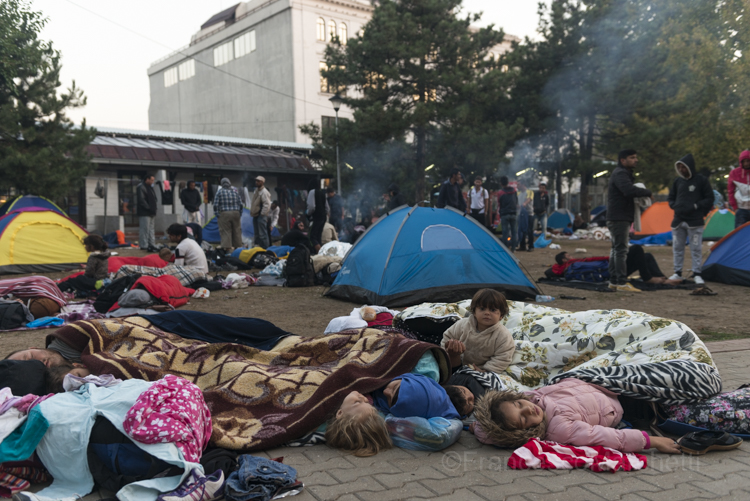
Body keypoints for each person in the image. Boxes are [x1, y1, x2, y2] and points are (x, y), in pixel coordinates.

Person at [471, 379, 681, 454]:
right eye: (523, 419)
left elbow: (490, 430)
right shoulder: (559, 429)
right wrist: (650, 441)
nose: (527, 410)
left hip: (598, 382)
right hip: (620, 403)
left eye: (518, 404)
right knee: (668, 389)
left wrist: (476, 427)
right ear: (524, 432)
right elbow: (605, 437)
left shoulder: (531, 398)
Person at [606, 150, 651, 292]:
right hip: (619, 217)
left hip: (618, 216)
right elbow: (628, 191)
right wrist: (647, 192)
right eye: (632, 158)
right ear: (623, 160)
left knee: (616, 249)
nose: (636, 160)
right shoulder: (620, 173)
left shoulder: (622, 173)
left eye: (636, 157)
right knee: (621, 250)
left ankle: (613, 281)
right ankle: (620, 282)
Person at [441, 289, 515, 374]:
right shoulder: (462, 324)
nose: (487, 313)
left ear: (501, 315)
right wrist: (447, 353)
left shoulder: (503, 335)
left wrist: (486, 370)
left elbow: (503, 356)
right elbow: (447, 337)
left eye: (493, 310)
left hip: (480, 369)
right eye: (482, 308)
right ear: (474, 312)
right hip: (455, 361)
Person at [667, 154, 714, 285]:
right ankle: (677, 273)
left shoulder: (701, 180)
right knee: (677, 247)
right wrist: (673, 205)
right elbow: (671, 198)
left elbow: (709, 198)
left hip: (695, 222)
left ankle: (697, 273)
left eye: (684, 167)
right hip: (678, 221)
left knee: (696, 248)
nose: (682, 169)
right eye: (680, 167)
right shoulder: (677, 181)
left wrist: (696, 206)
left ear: (690, 167)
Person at [552, 248, 682, 285]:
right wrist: (616, 258)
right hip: (612, 271)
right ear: (564, 259)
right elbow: (596, 261)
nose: (571, 256)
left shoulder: (574, 264)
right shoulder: (573, 265)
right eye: (568, 255)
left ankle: (662, 279)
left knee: (646, 256)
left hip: (611, 268)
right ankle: (648, 278)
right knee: (636, 249)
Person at [213, 178, 243, 251]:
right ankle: (238, 248)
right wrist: (240, 213)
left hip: (225, 213)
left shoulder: (219, 192)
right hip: (236, 213)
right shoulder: (235, 192)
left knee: (226, 231)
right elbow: (241, 204)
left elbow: (215, 205)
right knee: (237, 230)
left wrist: (217, 214)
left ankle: (228, 249)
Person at [728, 150, 750, 228]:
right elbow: (730, 191)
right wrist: (735, 207)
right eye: (744, 161)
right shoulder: (734, 173)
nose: (746, 163)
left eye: (748, 161)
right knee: (740, 233)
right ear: (741, 162)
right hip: (741, 209)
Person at [306, 180, 329, 253]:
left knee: (311, 237)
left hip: (316, 217)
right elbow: (327, 208)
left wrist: (308, 213)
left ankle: (320, 253)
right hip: (323, 217)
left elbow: (311, 206)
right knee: (318, 237)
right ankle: (319, 252)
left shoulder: (312, 192)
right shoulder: (322, 193)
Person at [136, 174, 158, 251]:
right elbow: (141, 200)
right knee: (144, 229)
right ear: (147, 179)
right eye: (152, 180)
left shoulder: (150, 187)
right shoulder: (141, 187)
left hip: (151, 211)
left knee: (151, 229)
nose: (153, 181)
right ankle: (144, 245)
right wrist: (148, 208)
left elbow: (154, 198)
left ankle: (152, 244)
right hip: (144, 212)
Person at [497, 176, 518, 252]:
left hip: (504, 214)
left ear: (501, 183)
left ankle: (506, 249)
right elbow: (516, 201)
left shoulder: (500, 193)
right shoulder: (514, 190)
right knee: (514, 232)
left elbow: (500, 204)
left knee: (505, 233)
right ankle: (514, 248)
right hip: (513, 213)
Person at [250, 175, 272, 249]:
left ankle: (266, 248)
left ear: (262, 182)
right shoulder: (256, 191)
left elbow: (267, 204)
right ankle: (257, 247)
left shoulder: (264, 192)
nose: (256, 182)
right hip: (256, 214)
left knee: (262, 234)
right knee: (256, 233)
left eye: (258, 181)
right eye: (256, 181)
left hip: (261, 215)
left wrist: (262, 214)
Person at [517, 181, 534, 251]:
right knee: (521, 230)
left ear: (523, 184)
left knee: (529, 230)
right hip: (521, 214)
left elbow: (529, 199)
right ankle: (522, 246)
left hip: (529, 214)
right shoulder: (518, 193)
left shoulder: (529, 192)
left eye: (518, 184)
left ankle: (531, 246)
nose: (517, 186)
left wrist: (524, 204)